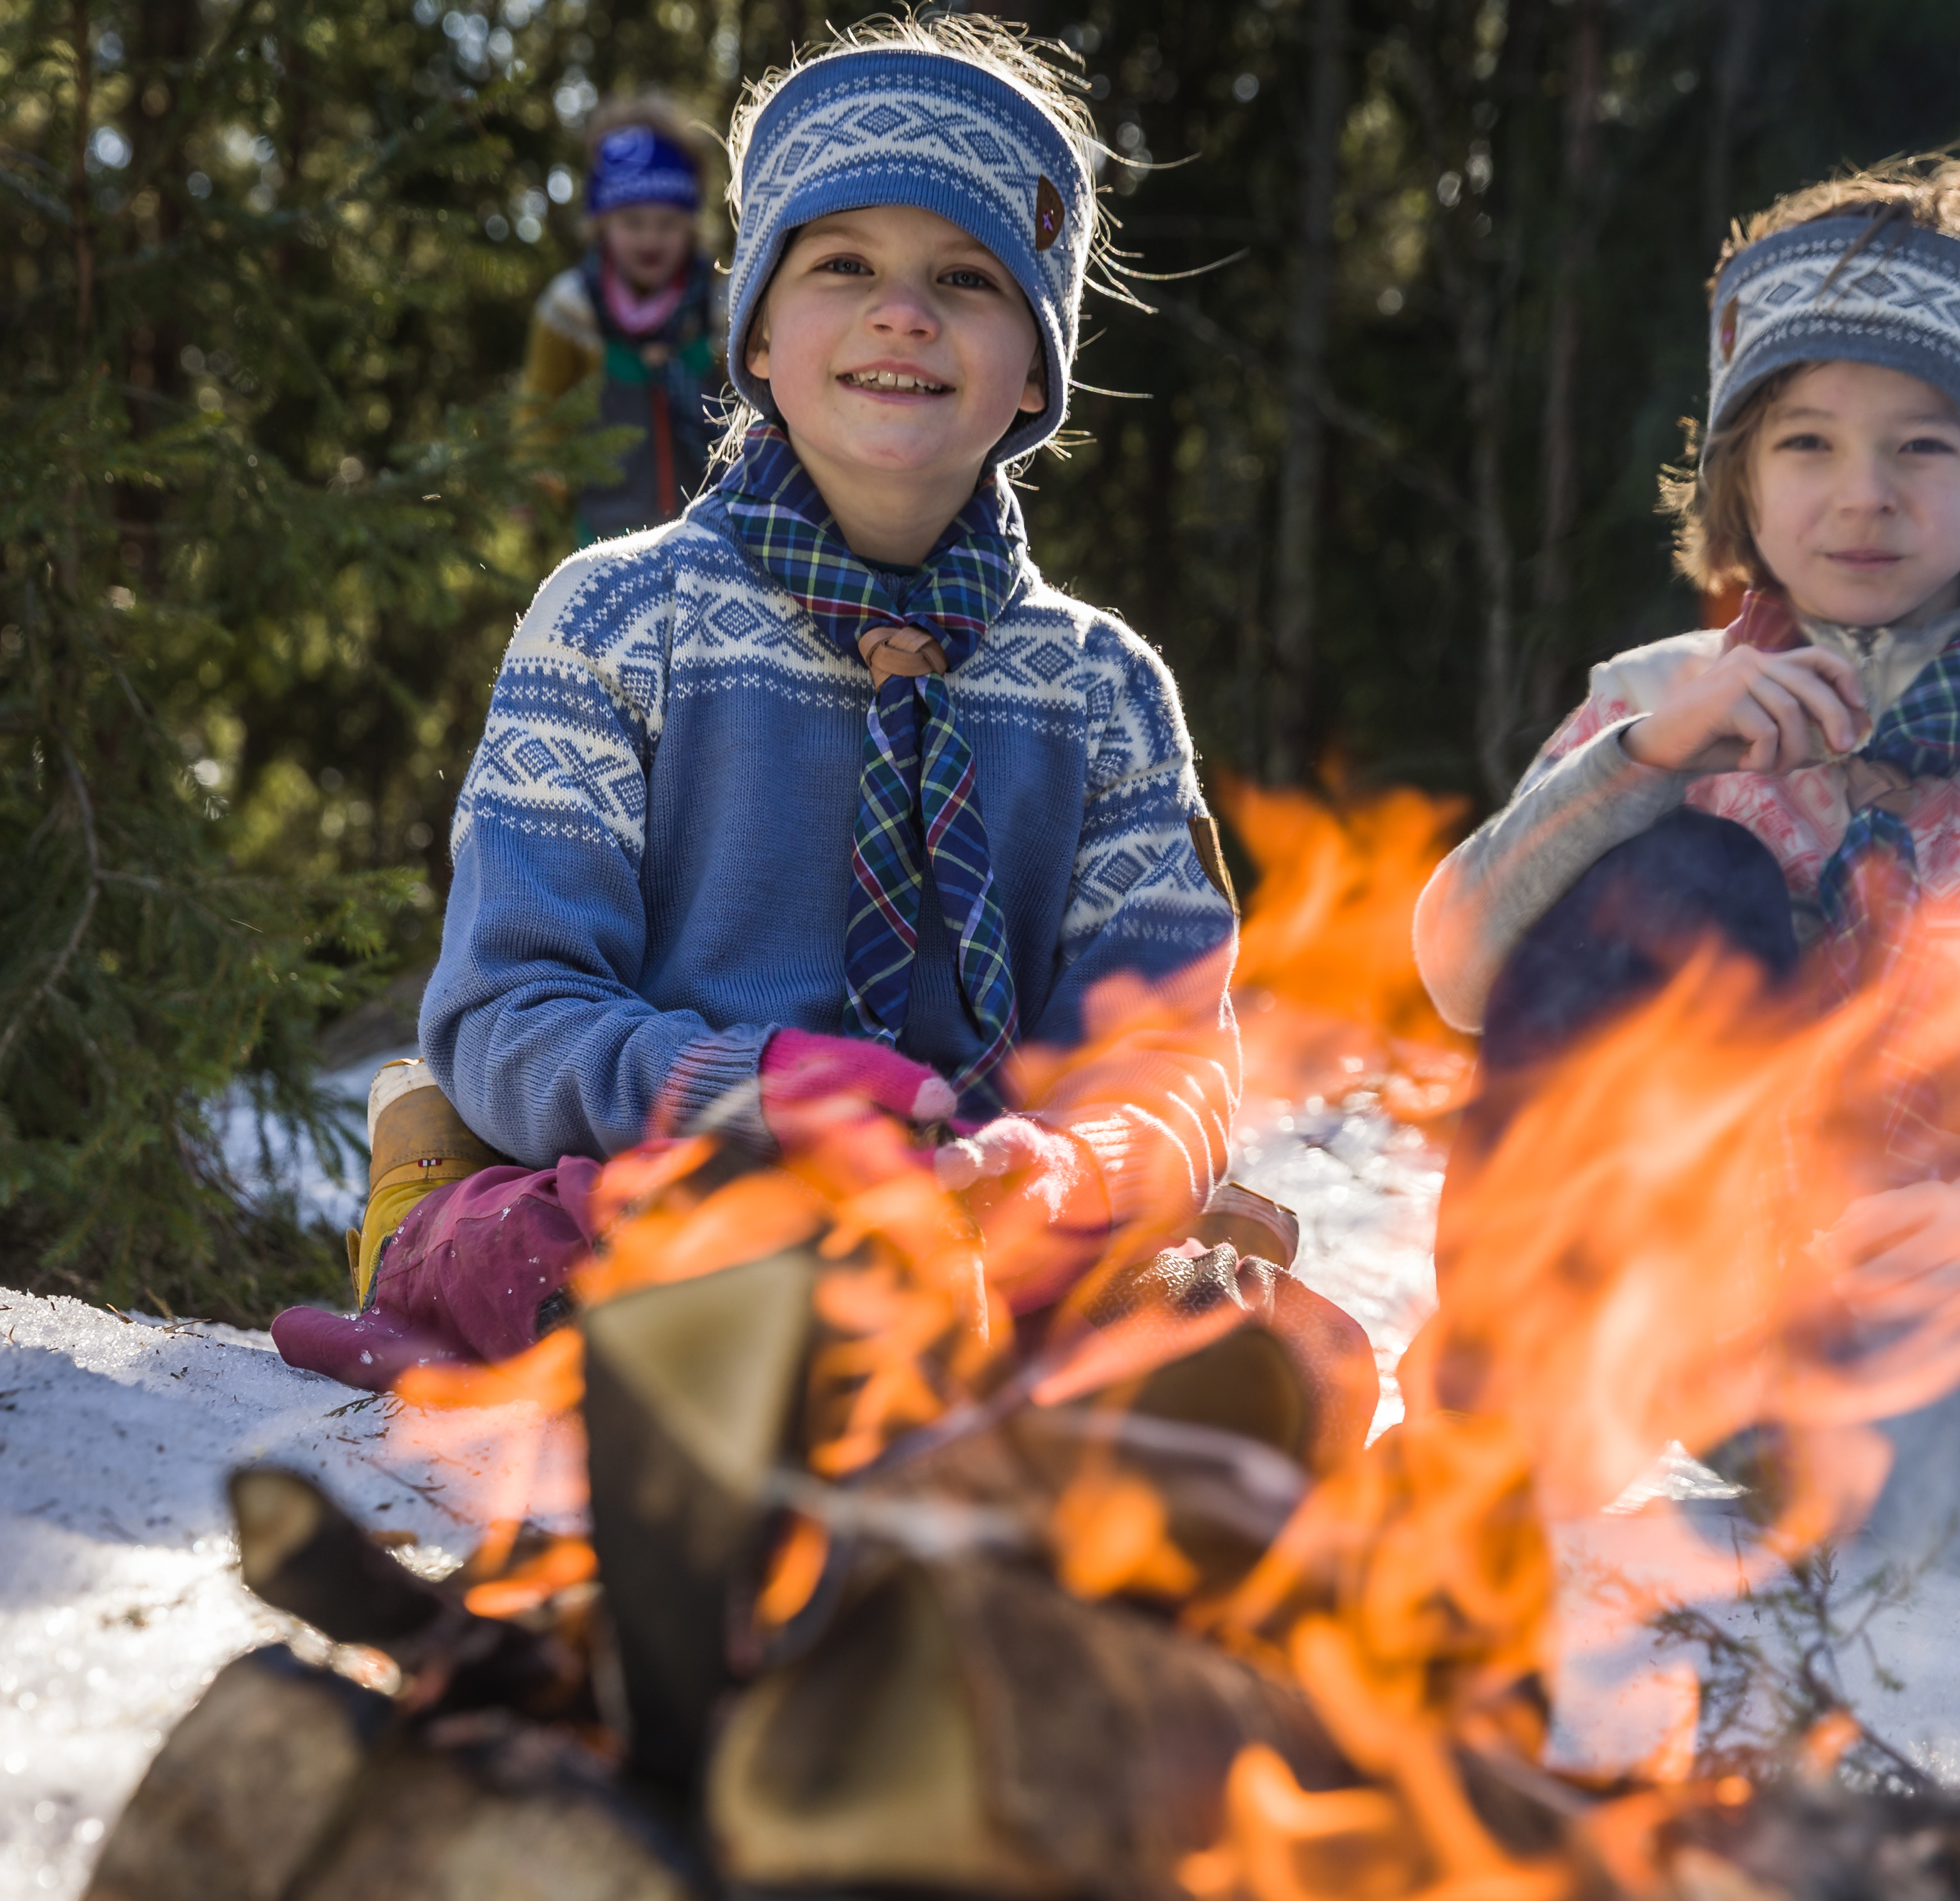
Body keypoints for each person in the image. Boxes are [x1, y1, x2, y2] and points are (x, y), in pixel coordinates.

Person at [275, 21, 1362, 1466]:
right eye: (841, 264)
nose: (900, 315)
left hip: (993, 1219)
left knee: (1259, 1327)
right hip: (669, 1183)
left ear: (1033, 366)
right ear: (759, 334)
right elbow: (506, 1016)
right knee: (666, 1258)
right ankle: (746, 1321)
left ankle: (1116, 1409)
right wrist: (760, 1088)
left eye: (966, 279)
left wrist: (1065, 1159)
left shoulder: (1102, 691)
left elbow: (1165, 1058)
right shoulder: (616, 620)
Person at [1412, 156, 1960, 1584]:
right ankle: (1523, 1388)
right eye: (1804, 445)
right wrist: (1636, 767)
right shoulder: (1654, 699)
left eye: (1921, 446)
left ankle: (1915, 1463)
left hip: (1934, 1314)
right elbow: (1458, 969)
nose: (1863, 495)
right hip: (1665, 1299)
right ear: (1735, 475)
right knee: (1688, 868)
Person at [524, 96, 729, 547]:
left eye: (668, 223)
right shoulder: (571, 310)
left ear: (692, 225)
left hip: (718, 535)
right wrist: (537, 479)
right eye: (633, 221)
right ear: (602, 222)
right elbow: (541, 406)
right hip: (604, 538)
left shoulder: (721, 306)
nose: (650, 238)